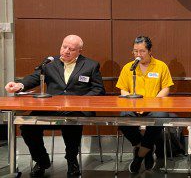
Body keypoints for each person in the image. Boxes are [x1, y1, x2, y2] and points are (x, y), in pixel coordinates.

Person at [4, 35, 105, 178]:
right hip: (51, 109)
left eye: (71, 49)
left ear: (79, 51)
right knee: (27, 127)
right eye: (64, 47)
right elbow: (35, 77)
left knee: (71, 122)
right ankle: (42, 160)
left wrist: (79, 102)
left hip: (77, 111)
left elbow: (98, 90)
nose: (66, 51)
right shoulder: (50, 63)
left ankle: (71, 161)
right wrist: (19, 85)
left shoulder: (91, 65)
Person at [116, 36, 174, 173]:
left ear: (150, 51)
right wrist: (130, 102)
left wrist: (153, 103)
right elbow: (123, 89)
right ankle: (147, 150)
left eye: (141, 51)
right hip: (133, 106)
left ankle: (139, 157)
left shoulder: (161, 66)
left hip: (154, 107)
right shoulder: (127, 68)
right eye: (135, 51)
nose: (138, 55)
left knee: (160, 117)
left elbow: (166, 88)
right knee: (123, 118)